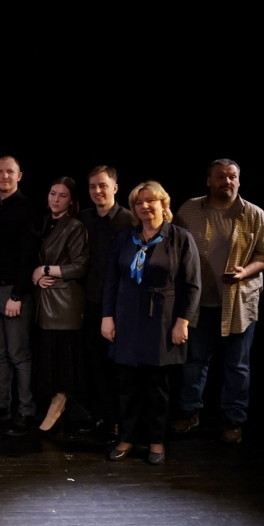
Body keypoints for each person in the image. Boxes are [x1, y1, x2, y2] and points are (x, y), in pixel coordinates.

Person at [171, 159, 264, 443]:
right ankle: (189, 412)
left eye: (232, 177)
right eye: (220, 177)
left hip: (238, 303)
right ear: (209, 180)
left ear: (238, 181)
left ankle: (233, 418)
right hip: (198, 302)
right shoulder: (189, 209)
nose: (226, 182)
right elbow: (173, 246)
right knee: (194, 361)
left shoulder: (254, 214)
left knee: (237, 365)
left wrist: (245, 272)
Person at [102, 181, 200, 465]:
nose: (144, 206)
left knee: (157, 385)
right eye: (139, 202)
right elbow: (112, 279)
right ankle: (127, 438)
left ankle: (156, 441)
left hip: (162, 319)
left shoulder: (180, 238)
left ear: (163, 204)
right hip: (127, 316)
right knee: (127, 384)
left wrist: (183, 321)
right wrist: (107, 317)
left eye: (150, 201)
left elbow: (192, 285)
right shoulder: (125, 238)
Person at [0, 156, 40, 436]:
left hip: (13, 292)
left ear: (20, 175)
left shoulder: (26, 209)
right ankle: (1, 405)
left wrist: (18, 295)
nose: (5, 176)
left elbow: (28, 255)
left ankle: (25, 410)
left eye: (10, 172)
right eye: (0, 172)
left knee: (18, 354)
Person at [30, 177, 89, 433]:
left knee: (62, 358)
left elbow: (80, 265)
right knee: (48, 358)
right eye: (52, 193)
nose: (55, 199)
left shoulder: (75, 227)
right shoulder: (44, 223)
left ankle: (59, 403)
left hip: (64, 303)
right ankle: (56, 403)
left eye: (62, 195)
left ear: (72, 201)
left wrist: (43, 269)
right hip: (44, 301)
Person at [78, 166, 132, 439]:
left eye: (102, 185)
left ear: (115, 187)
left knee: (119, 368)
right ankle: (105, 418)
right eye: (92, 186)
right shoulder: (84, 218)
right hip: (91, 302)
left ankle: (123, 423)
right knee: (95, 365)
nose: (97, 191)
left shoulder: (129, 220)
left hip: (120, 307)